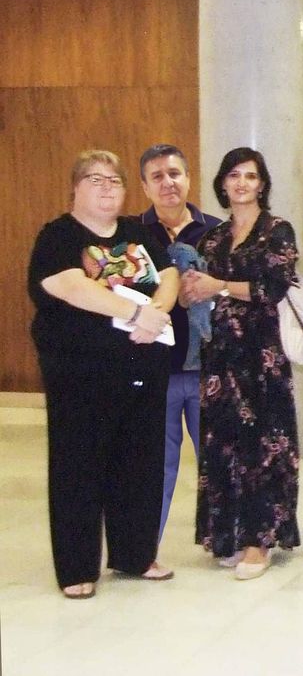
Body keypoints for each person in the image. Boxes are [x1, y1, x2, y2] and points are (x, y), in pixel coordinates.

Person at [29, 150, 178, 598]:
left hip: (142, 366)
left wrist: (156, 312)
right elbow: (69, 286)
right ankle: (77, 568)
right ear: (75, 188)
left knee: (139, 463)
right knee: (79, 465)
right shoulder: (58, 235)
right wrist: (137, 313)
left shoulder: (138, 231)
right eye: (95, 180)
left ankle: (135, 555)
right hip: (81, 372)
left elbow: (169, 274)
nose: (107, 188)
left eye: (114, 181)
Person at [183, 148, 301, 579]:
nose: (242, 183)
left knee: (264, 448)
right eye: (234, 175)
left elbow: (272, 288)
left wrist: (218, 285)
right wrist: (193, 289)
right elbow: (196, 290)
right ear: (222, 183)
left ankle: (260, 541)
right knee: (222, 445)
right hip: (220, 357)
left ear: (263, 184)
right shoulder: (210, 239)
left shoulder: (277, 231)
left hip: (262, 357)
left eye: (251, 176)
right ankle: (228, 535)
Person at [135, 143, 222, 547]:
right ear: (145, 187)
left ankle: (224, 538)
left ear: (188, 178)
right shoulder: (131, 237)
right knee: (155, 466)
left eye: (174, 173)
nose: (168, 183)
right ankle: (143, 547)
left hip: (209, 370)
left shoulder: (217, 231)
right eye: (157, 176)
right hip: (155, 372)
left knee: (217, 462)